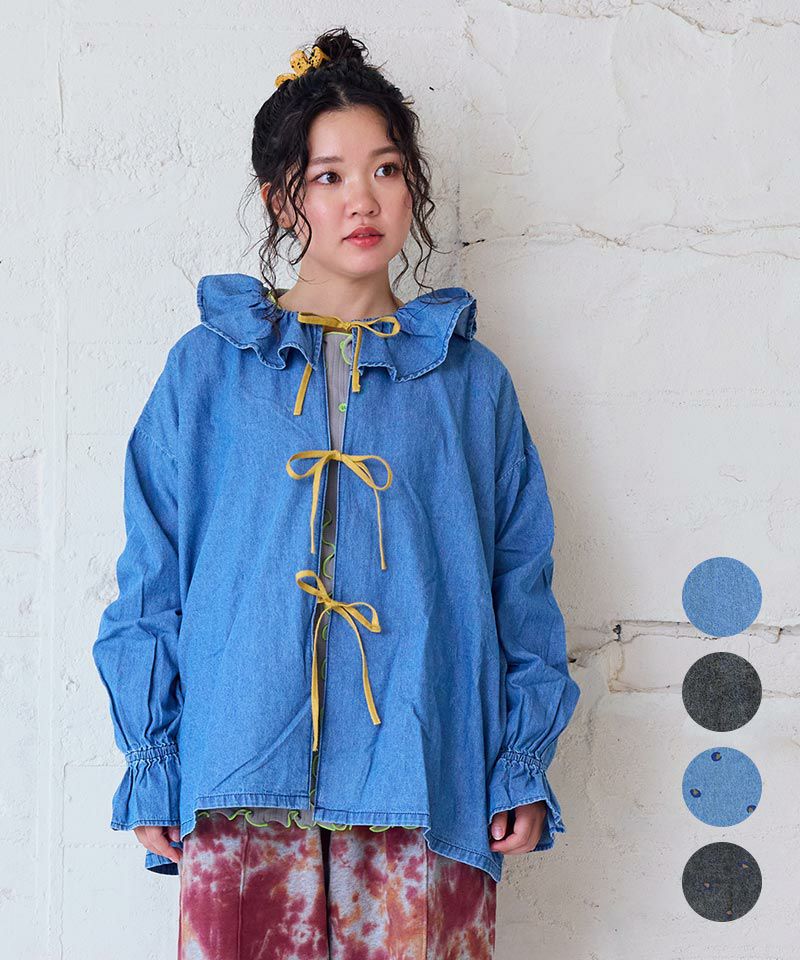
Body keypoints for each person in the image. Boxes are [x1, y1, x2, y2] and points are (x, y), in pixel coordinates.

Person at [92, 26, 581, 959]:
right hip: (240, 781)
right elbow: (151, 578)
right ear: (283, 200)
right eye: (329, 176)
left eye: (387, 169)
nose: (364, 198)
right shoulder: (208, 372)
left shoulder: (469, 385)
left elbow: (522, 582)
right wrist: (152, 760)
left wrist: (521, 757)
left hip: (424, 779)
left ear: (413, 187)